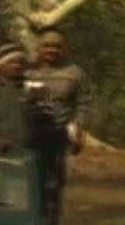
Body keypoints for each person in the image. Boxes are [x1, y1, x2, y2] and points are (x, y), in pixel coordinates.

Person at [25, 29, 91, 211]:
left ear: (63, 49)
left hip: (57, 135)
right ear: (38, 48)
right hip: (26, 133)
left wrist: (77, 128)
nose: (51, 50)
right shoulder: (26, 70)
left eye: (56, 46)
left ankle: (52, 224)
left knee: (53, 184)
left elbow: (83, 103)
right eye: (47, 46)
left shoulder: (74, 73)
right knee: (27, 180)